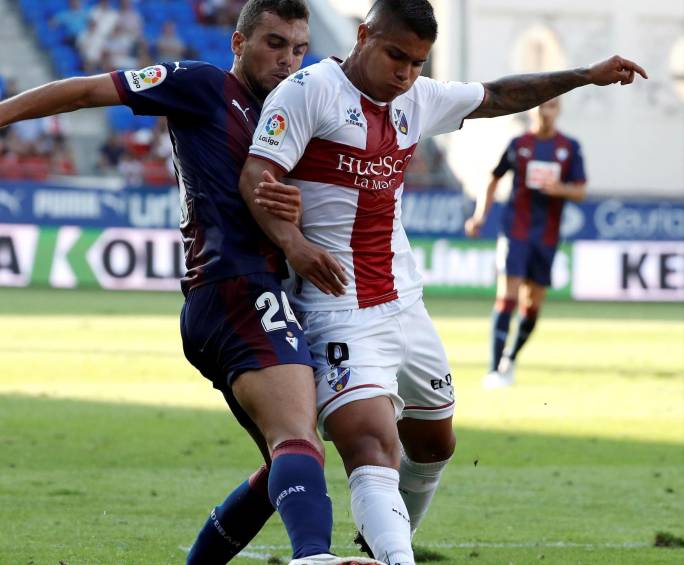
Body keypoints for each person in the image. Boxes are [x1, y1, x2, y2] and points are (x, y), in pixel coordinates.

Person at [0, 2, 377, 564]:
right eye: (274, 44)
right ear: (237, 44)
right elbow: (89, 91)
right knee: (296, 442)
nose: (287, 61)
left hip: (235, 295)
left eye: (298, 49)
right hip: (236, 287)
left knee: (286, 464)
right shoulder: (203, 85)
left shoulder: (291, 115)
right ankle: (313, 557)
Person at [237, 1, 646, 563]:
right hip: (338, 304)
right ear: (363, 37)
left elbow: (498, 94)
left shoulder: (418, 99)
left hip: (406, 304)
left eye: (417, 62)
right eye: (395, 56)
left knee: (434, 443)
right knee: (371, 441)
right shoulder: (308, 92)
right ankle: (396, 559)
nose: (405, 73)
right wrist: (294, 243)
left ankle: (383, 544)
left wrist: (584, 76)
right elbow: (259, 172)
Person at [465, 98, 587, 388]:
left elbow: (581, 191)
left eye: (552, 107)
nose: (546, 112)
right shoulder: (519, 144)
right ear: (533, 110)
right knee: (507, 294)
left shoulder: (569, 148)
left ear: (559, 111)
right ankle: (494, 370)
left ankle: (511, 356)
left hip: (546, 235)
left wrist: (561, 189)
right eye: (542, 107)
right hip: (515, 231)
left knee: (532, 305)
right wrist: (480, 215)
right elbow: (493, 179)